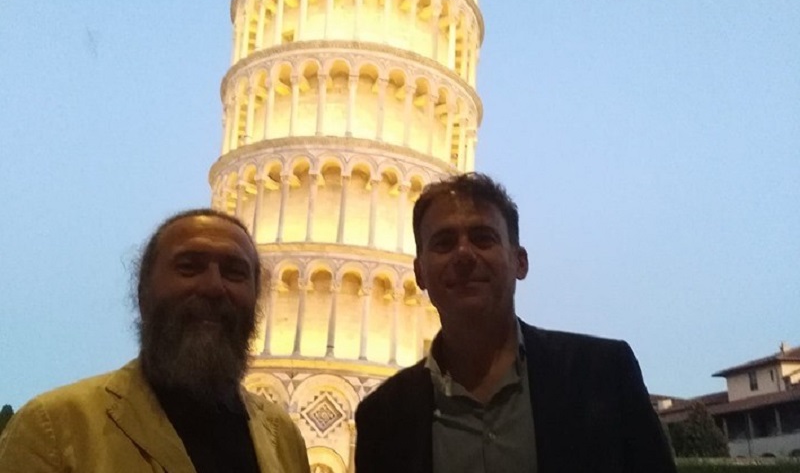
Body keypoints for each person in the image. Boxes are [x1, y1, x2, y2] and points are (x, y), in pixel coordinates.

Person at [355, 173, 676, 473]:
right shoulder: (383, 417)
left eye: (483, 239)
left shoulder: (602, 377)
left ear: (520, 262)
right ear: (420, 273)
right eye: (444, 243)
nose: (464, 254)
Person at [0, 209, 310, 473]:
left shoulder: (282, 437)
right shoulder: (54, 428)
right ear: (143, 293)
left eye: (234, 272)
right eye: (189, 267)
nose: (214, 287)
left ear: (256, 298)